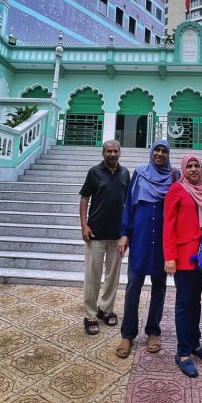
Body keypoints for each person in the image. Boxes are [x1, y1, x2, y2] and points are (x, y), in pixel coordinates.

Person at [115, 139, 177, 358]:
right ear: (151, 152)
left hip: (163, 239)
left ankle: (153, 331)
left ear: (168, 154)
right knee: (134, 285)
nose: (160, 154)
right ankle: (127, 334)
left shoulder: (174, 176)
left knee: (159, 286)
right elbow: (129, 204)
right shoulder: (139, 173)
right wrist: (125, 233)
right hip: (140, 236)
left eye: (164, 151)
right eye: (157, 150)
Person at [163, 154, 202, 378]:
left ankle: (195, 344)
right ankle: (183, 352)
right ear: (183, 170)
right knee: (184, 304)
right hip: (184, 256)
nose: (193, 169)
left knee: (195, 302)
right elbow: (168, 224)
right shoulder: (177, 190)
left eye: (197, 166)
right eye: (189, 166)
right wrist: (169, 257)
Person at [79, 140, 130, 335]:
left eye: (115, 151)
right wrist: (84, 225)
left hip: (117, 235)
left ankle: (106, 309)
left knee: (112, 276)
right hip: (96, 234)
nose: (112, 154)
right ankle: (90, 315)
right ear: (103, 153)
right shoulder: (94, 172)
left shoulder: (125, 173)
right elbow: (84, 198)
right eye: (108, 151)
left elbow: (129, 203)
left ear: (120, 152)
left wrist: (126, 233)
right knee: (92, 276)